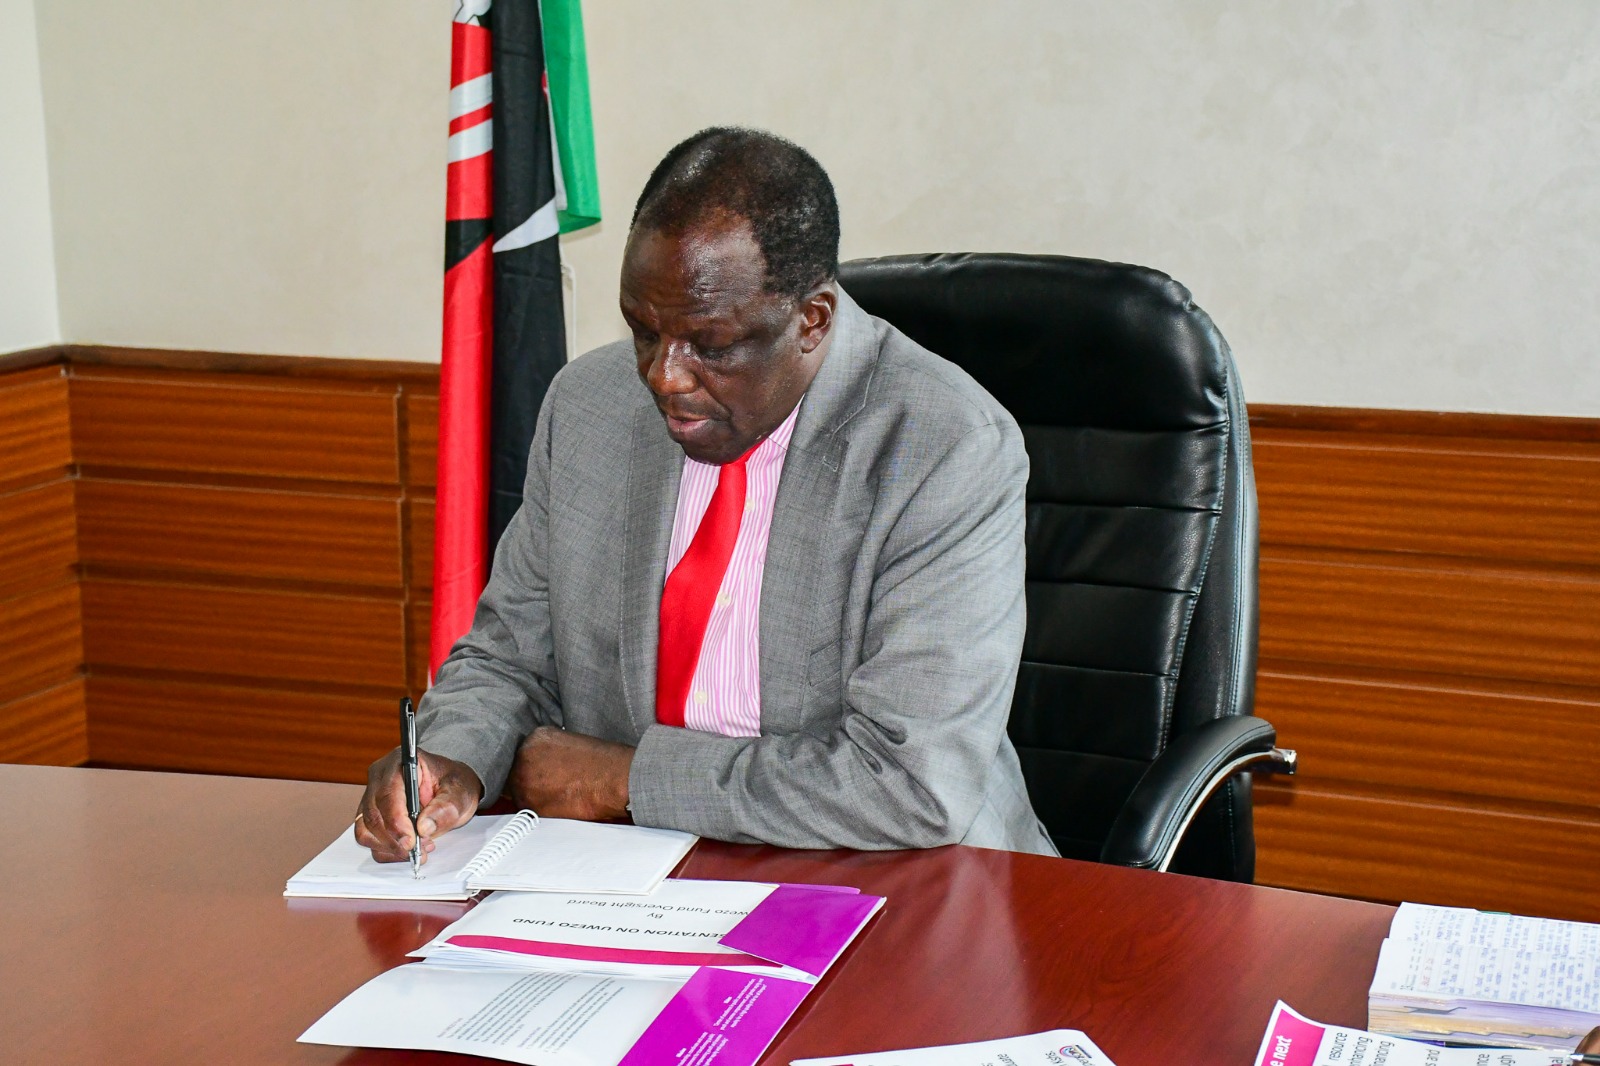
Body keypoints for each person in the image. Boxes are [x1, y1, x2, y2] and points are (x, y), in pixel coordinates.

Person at [355, 127, 1055, 862]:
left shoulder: (941, 446)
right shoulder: (588, 409)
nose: (665, 375)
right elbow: (507, 659)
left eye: (710, 345)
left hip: (898, 873)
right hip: (634, 872)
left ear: (812, 321)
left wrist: (630, 779)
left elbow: (911, 785)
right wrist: (446, 761)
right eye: (643, 331)